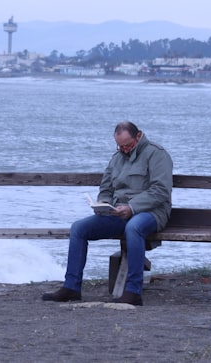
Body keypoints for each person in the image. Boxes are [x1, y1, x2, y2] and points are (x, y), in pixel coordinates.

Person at [41, 121, 173, 306]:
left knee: (134, 227)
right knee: (79, 228)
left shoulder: (157, 154)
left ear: (138, 136)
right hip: (118, 213)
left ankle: (133, 291)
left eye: (128, 145)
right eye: (120, 146)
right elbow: (106, 188)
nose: (124, 150)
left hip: (151, 213)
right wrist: (104, 204)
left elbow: (161, 191)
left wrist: (132, 207)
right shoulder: (116, 158)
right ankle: (71, 287)